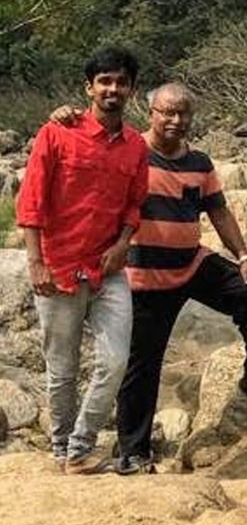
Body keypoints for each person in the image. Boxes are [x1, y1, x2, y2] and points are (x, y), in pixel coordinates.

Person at [96, 84, 247, 475]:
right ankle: (133, 452)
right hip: (144, 277)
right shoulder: (131, 152)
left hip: (192, 264)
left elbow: (219, 212)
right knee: (142, 364)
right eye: (167, 113)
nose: (176, 121)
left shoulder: (199, 162)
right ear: (151, 113)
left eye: (184, 114)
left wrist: (243, 255)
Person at [16, 48, 150, 474]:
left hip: (107, 269)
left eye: (121, 82)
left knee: (114, 360)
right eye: (104, 81)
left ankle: (80, 444)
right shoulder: (57, 133)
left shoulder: (134, 146)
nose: (113, 89)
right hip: (58, 266)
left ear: (131, 89)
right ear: (88, 87)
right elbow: (31, 202)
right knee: (62, 368)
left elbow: (135, 205)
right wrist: (35, 262)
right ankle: (62, 450)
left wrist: (124, 242)